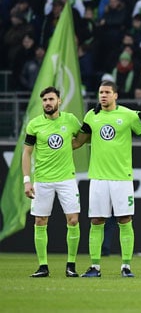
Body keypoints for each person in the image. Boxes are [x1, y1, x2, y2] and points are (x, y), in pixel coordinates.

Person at [73, 78, 141, 278]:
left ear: (115, 95)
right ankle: (95, 267)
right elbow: (78, 142)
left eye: (107, 92)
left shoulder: (128, 115)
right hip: (98, 178)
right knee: (96, 221)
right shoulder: (92, 116)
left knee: (125, 220)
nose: (103, 96)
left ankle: (126, 266)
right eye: (100, 93)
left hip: (122, 178)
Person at [22, 87, 82, 277]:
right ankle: (43, 266)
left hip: (67, 179)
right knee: (40, 221)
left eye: (51, 99)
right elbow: (27, 152)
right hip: (43, 180)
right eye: (45, 100)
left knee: (73, 220)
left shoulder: (70, 120)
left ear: (59, 101)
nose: (47, 103)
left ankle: (71, 265)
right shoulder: (34, 125)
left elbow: (83, 137)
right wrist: (26, 181)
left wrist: (71, 145)